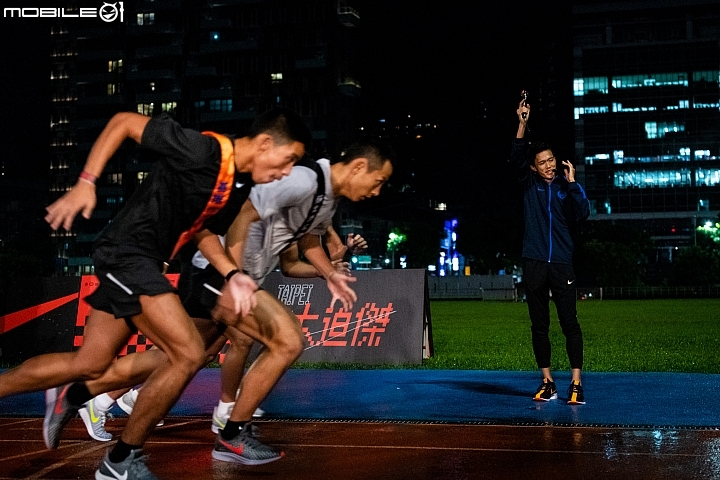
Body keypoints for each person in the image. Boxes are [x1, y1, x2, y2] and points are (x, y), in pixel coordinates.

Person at [0, 107, 311, 480]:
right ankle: (121, 462)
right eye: (289, 158)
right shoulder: (201, 151)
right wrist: (87, 181)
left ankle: (68, 395)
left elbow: (202, 232)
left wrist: (233, 273)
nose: (287, 171)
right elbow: (123, 122)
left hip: (140, 262)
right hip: (130, 256)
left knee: (90, 365)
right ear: (263, 144)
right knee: (188, 353)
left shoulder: (233, 184)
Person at [62, 139, 394, 466]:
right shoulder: (304, 179)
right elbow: (241, 214)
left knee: (187, 354)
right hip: (217, 272)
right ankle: (231, 432)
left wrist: (330, 274)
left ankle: (87, 394)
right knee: (287, 340)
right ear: (359, 166)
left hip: (233, 277)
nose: (377, 192)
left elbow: (307, 245)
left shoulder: (325, 200)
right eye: (378, 182)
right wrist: (231, 276)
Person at [510, 98, 590, 405]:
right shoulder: (529, 184)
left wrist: (572, 184)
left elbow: (582, 214)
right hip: (534, 263)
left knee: (570, 323)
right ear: (534, 167)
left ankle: (576, 383)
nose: (549, 165)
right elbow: (516, 157)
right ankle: (547, 382)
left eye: (551, 159)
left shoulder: (565, 187)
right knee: (539, 325)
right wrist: (521, 122)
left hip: (561, 264)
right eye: (542, 162)